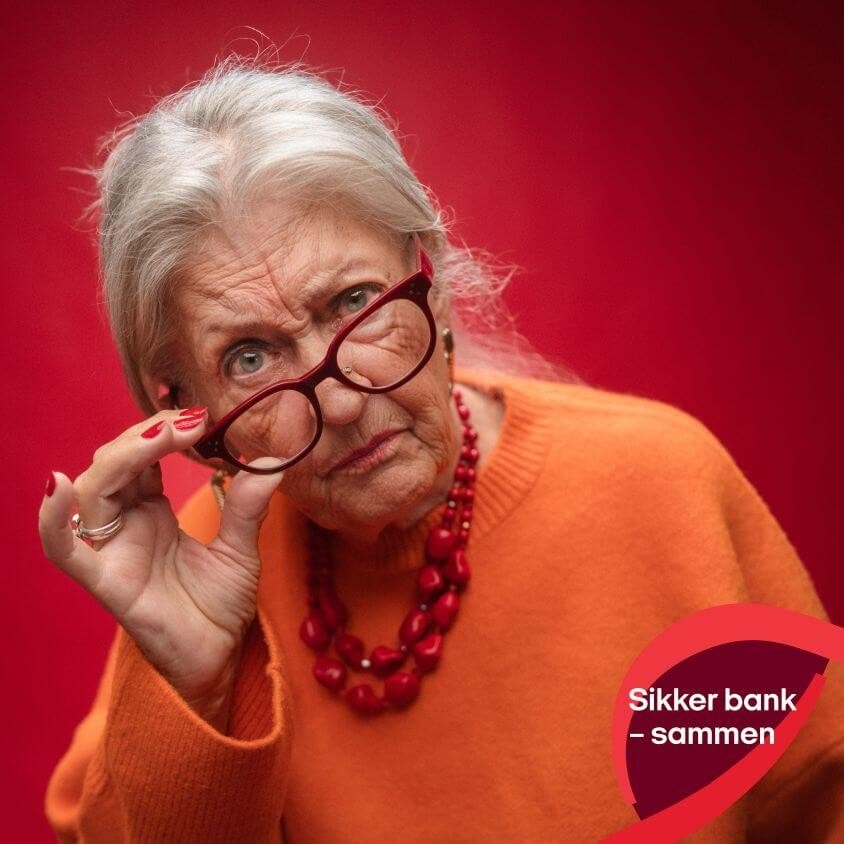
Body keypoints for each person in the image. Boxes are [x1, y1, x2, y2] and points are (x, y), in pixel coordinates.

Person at [40, 59, 844, 842]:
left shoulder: (656, 483)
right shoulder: (199, 569)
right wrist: (197, 688)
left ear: (432, 276)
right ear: (187, 408)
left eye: (355, 301)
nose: (342, 401)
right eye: (249, 357)